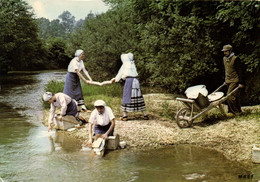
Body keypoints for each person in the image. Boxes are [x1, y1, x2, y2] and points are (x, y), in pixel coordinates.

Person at [111, 52, 148, 121]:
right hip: (136, 81)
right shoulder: (132, 64)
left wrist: (115, 79)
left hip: (129, 81)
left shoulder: (126, 64)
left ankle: (125, 116)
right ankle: (145, 115)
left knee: (126, 96)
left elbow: (120, 73)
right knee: (138, 96)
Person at [222, 44, 245, 115]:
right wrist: (225, 81)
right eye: (224, 51)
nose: (224, 53)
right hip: (228, 80)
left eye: (226, 51)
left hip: (235, 80)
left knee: (230, 97)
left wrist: (241, 82)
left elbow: (240, 71)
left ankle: (235, 112)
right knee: (235, 96)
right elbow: (226, 70)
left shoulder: (235, 59)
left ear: (230, 51)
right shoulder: (224, 59)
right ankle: (238, 111)